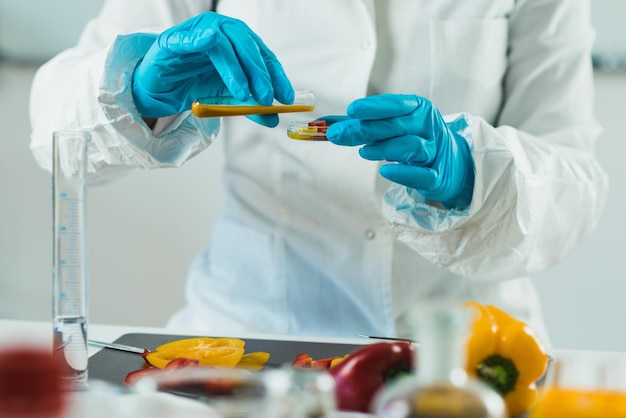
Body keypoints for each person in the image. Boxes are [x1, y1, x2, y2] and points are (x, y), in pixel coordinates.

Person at [29, 0, 608, 343]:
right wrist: (131, 89)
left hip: (465, 350)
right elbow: (57, 131)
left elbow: (574, 179)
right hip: (255, 337)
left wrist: (473, 176)